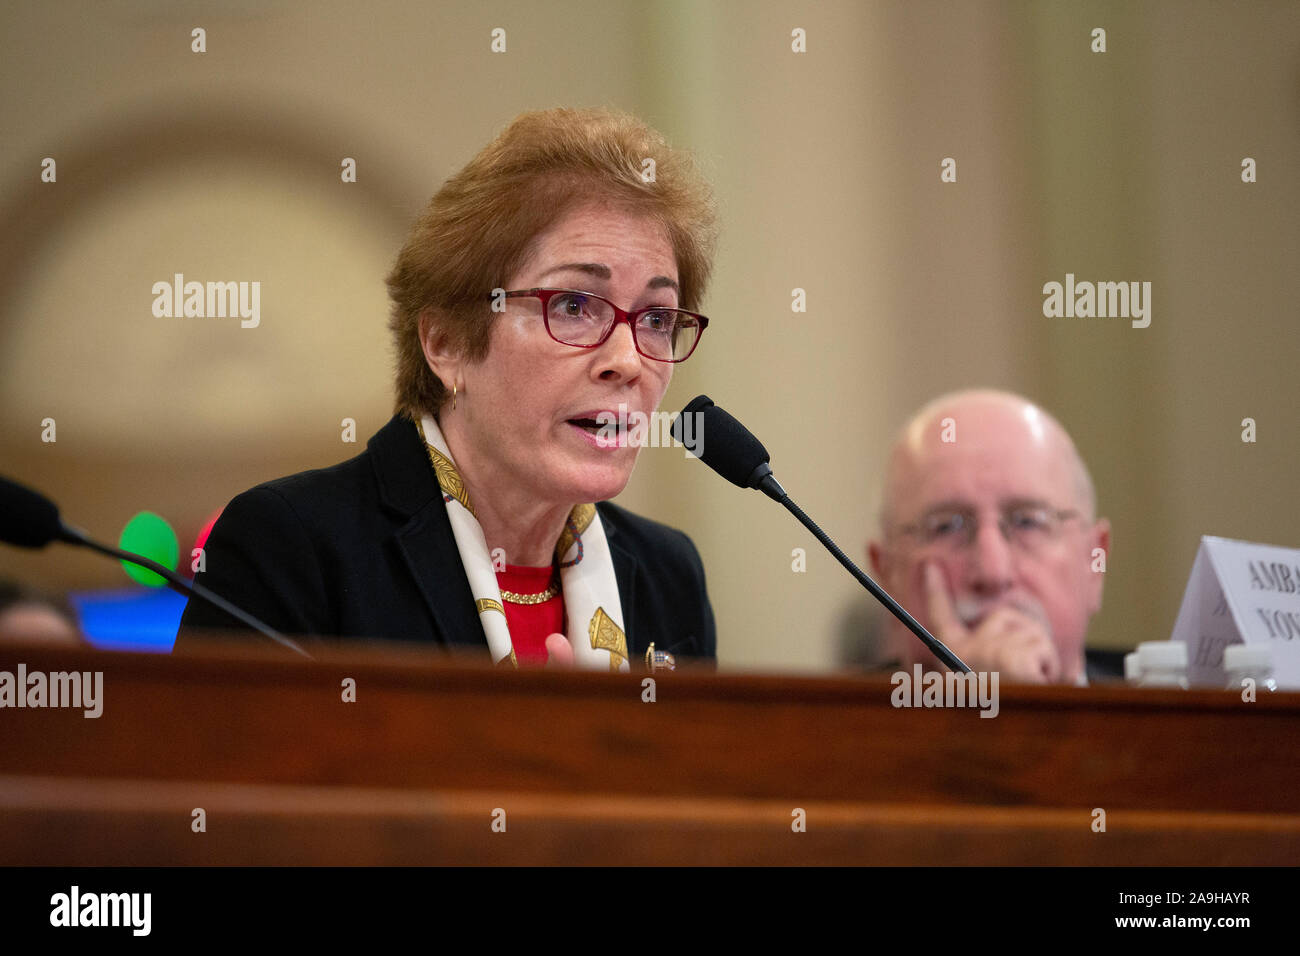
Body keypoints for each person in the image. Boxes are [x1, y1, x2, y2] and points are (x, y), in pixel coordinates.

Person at [175, 107, 719, 669]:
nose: (628, 361)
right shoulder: (291, 549)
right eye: (574, 305)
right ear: (446, 344)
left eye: (656, 317)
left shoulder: (667, 573)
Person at [866, 390, 1113, 684]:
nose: (993, 572)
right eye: (946, 527)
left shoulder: (1167, 718)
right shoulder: (823, 725)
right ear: (886, 577)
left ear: (1093, 563)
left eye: (1027, 522)